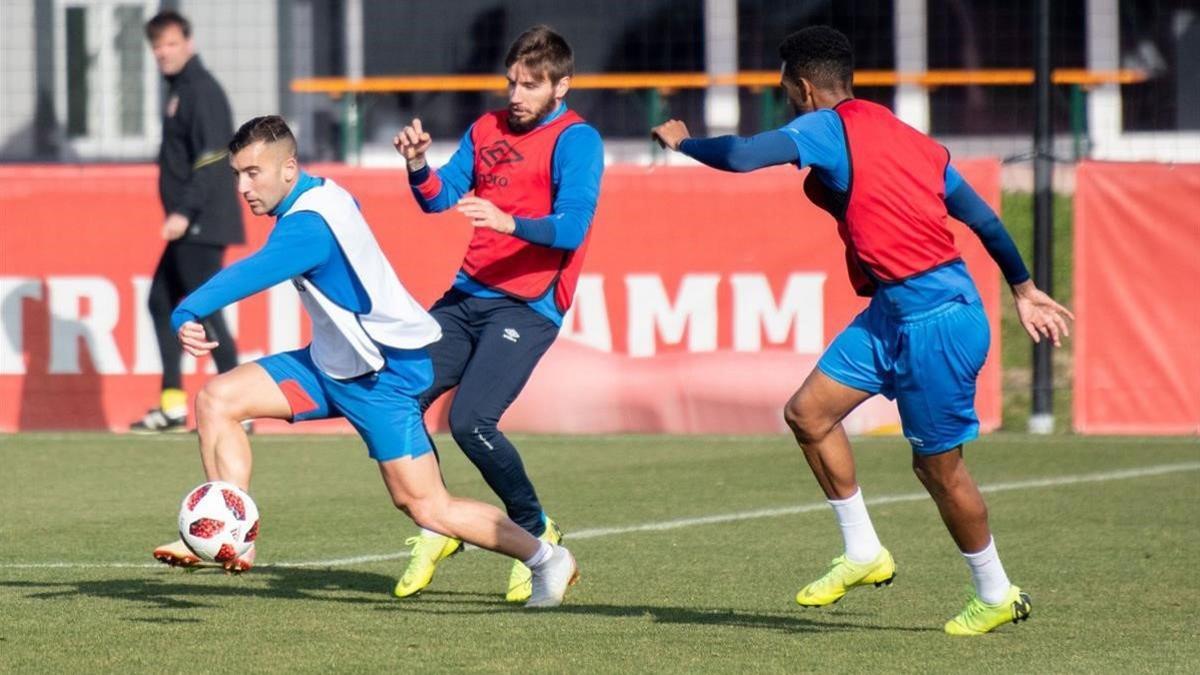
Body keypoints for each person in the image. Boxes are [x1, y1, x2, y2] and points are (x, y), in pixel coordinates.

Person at [651, 26, 1073, 635]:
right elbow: (982, 218)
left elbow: (743, 156)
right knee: (809, 414)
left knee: (938, 469)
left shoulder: (826, 127)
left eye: (785, 92)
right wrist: (1022, 286)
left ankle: (997, 590)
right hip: (894, 314)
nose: (787, 104)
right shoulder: (911, 138)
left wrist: (686, 142)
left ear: (801, 86)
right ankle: (864, 553)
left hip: (937, 320)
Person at [150, 115, 579, 608]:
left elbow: (252, 273)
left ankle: (547, 559)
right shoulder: (324, 193)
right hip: (330, 366)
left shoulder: (307, 227)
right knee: (217, 399)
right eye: (237, 174)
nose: (243, 186)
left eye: (253, 173)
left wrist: (187, 308)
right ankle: (232, 530)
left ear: (289, 169)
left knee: (426, 507)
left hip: (383, 378)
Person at [391, 25, 603, 602]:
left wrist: (512, 223)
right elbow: (439, 198)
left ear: (562, 86)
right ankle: (439, 522)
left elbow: (573, 227)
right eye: (512, 82)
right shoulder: (486, 128)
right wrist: (417, 165)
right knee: (399, 396)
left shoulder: (579, 140)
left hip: (530, 302)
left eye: (531, 85)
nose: (516, 95)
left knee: (470, 423)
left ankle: (539, 533)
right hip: (467, 295)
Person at [131, 10, 244, 433]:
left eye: (171, 44)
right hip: (191, 224)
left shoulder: (201, 90)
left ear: (189, 43)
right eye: (157, 46)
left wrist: (184, 211)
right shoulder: (179, 90)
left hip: (201, 221)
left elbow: (214, 156)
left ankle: (241, 407)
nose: (163, 52)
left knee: (206, 310)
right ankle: (174, 404)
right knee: (161, 301)